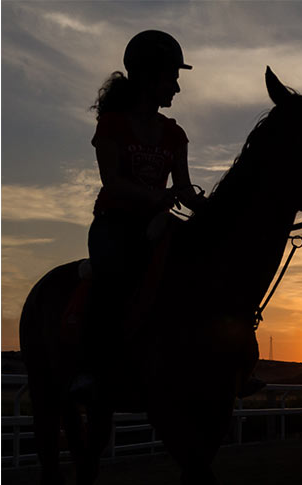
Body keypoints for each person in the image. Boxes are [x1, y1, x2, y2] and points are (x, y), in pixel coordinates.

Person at [72, 30, 205, 399]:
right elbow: (112, 183)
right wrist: (159, 197)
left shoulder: (175, 134)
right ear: (148, 77)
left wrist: (215, 211)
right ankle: (88, 367)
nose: (176, 87)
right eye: (171, 77)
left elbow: (185, 189)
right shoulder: (113, 125)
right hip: (116, 225)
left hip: (157, 225)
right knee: (112, 277)